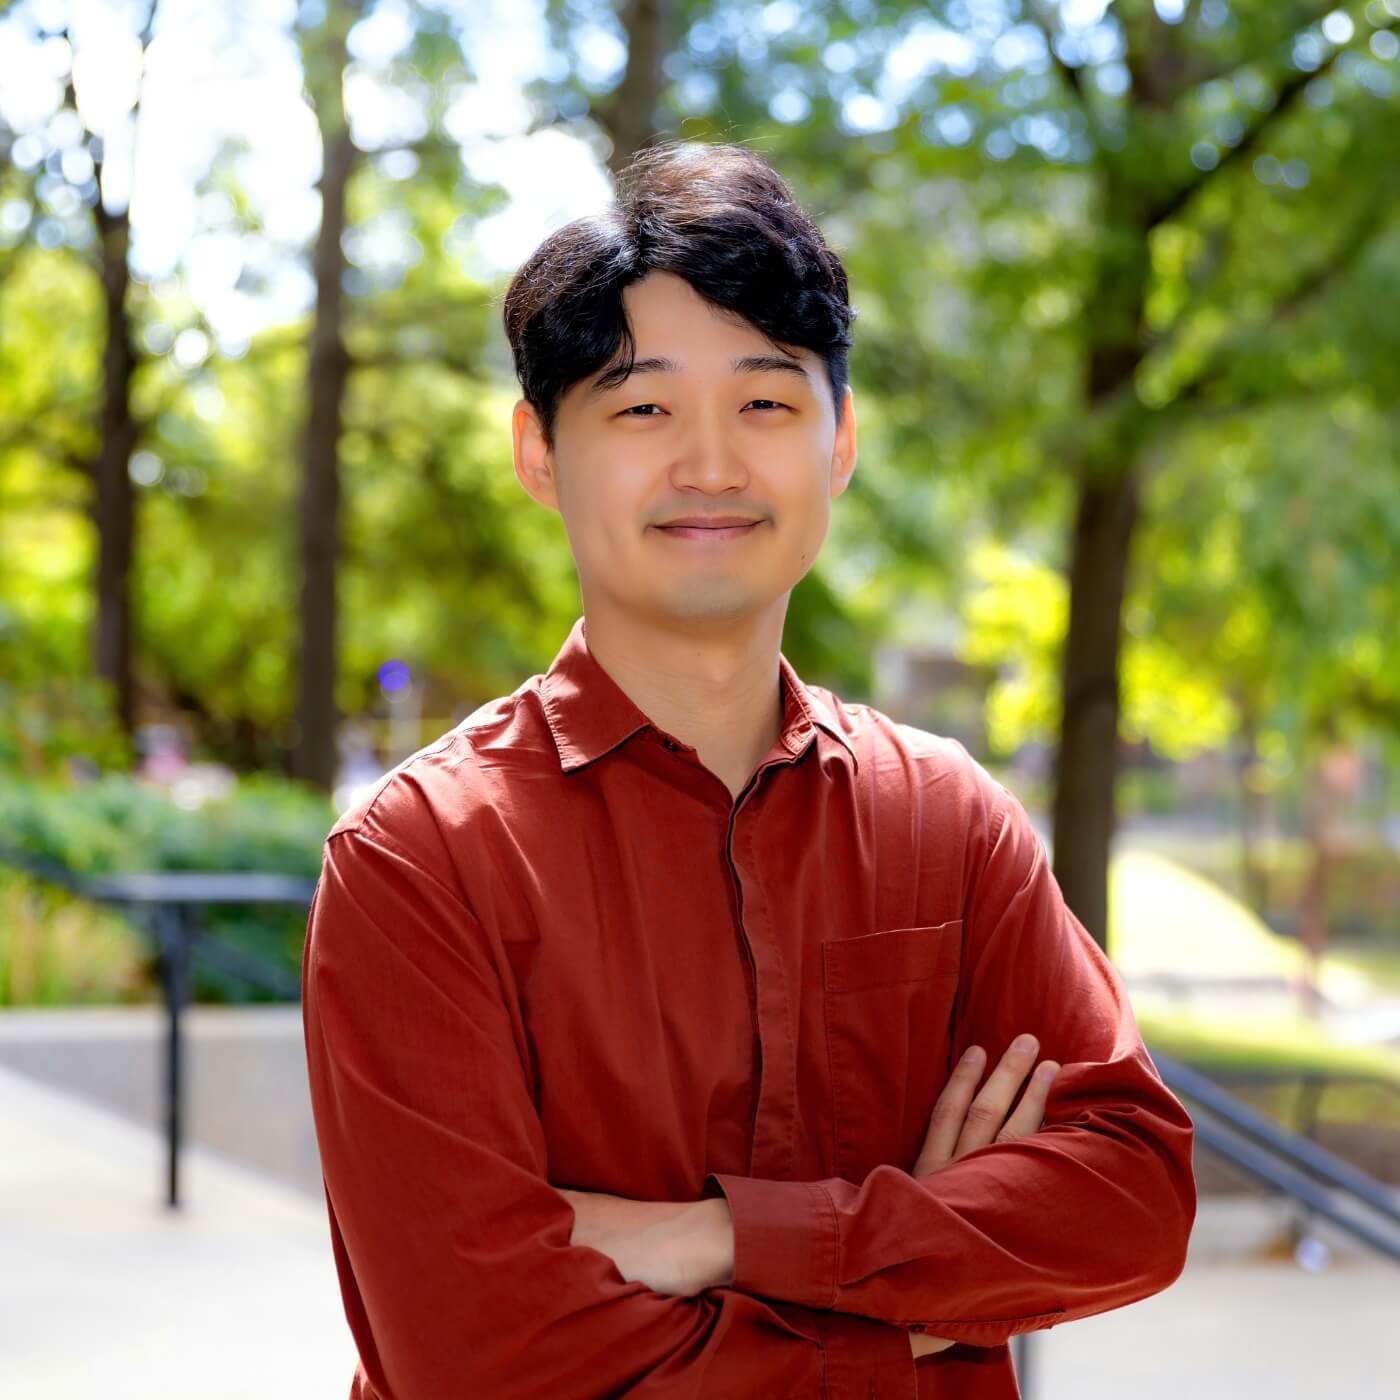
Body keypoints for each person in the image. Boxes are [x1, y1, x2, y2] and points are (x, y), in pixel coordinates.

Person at [301, 139, 1196, 1400]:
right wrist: (912, 1297)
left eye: (766, 402)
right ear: (539, 453)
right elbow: (478, 1352)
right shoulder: (421, 858)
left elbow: (1133, 1191)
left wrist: (716, 1235)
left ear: (836, 446)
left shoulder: (946, 822)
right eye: (642, 406)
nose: (710, 464)